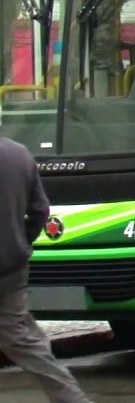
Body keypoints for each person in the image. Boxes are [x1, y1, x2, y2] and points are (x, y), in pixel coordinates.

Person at [0, 137, 93, 403]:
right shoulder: (19, 154)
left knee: (21, 337)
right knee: (24, 340)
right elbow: (40, 211)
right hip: (13, 268)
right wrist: (20, 241)